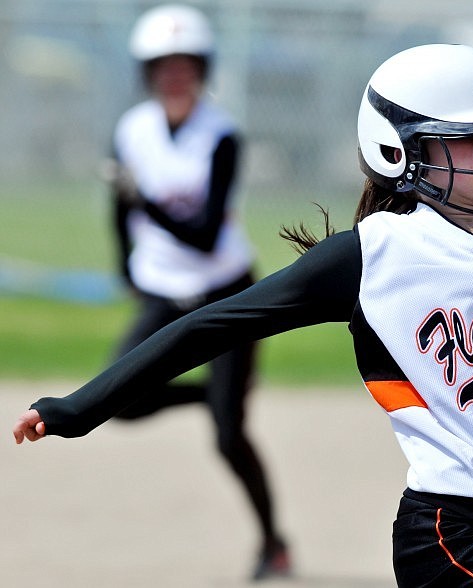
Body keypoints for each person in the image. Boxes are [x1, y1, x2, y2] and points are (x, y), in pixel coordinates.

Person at [14, 44, 473, 587]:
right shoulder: (375, 257)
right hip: (454, 535)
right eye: (470, 135)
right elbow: (212, 325)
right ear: (402, 149)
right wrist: (78, 408)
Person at [99, 4, 289, 580]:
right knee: (119, 399)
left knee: (230, 438)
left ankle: (272, 544)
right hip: (162, 287)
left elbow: (206, 235)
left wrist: (144, 203)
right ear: (147, 73)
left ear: (202, 69)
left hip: (223, 287)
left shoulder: (221, 134)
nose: (174, 76)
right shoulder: (133, 129)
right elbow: (119, 209)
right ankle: (216, 394)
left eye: (185, 65)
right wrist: (127, 267)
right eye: (162, 66)